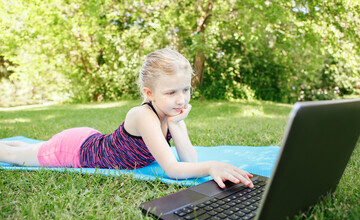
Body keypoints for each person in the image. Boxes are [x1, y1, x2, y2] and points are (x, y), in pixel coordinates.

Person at [0, 48, 253, 189]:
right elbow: (173, 169)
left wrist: (176, 125)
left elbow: (188, 159)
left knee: (25, 147)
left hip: (91, 139)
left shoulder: (172, 114)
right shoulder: (144, 115)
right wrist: (211, 166)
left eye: (186, 89)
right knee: (12, 156)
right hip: (76, 151)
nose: (181, 99)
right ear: (148, 93)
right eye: (172, 92)